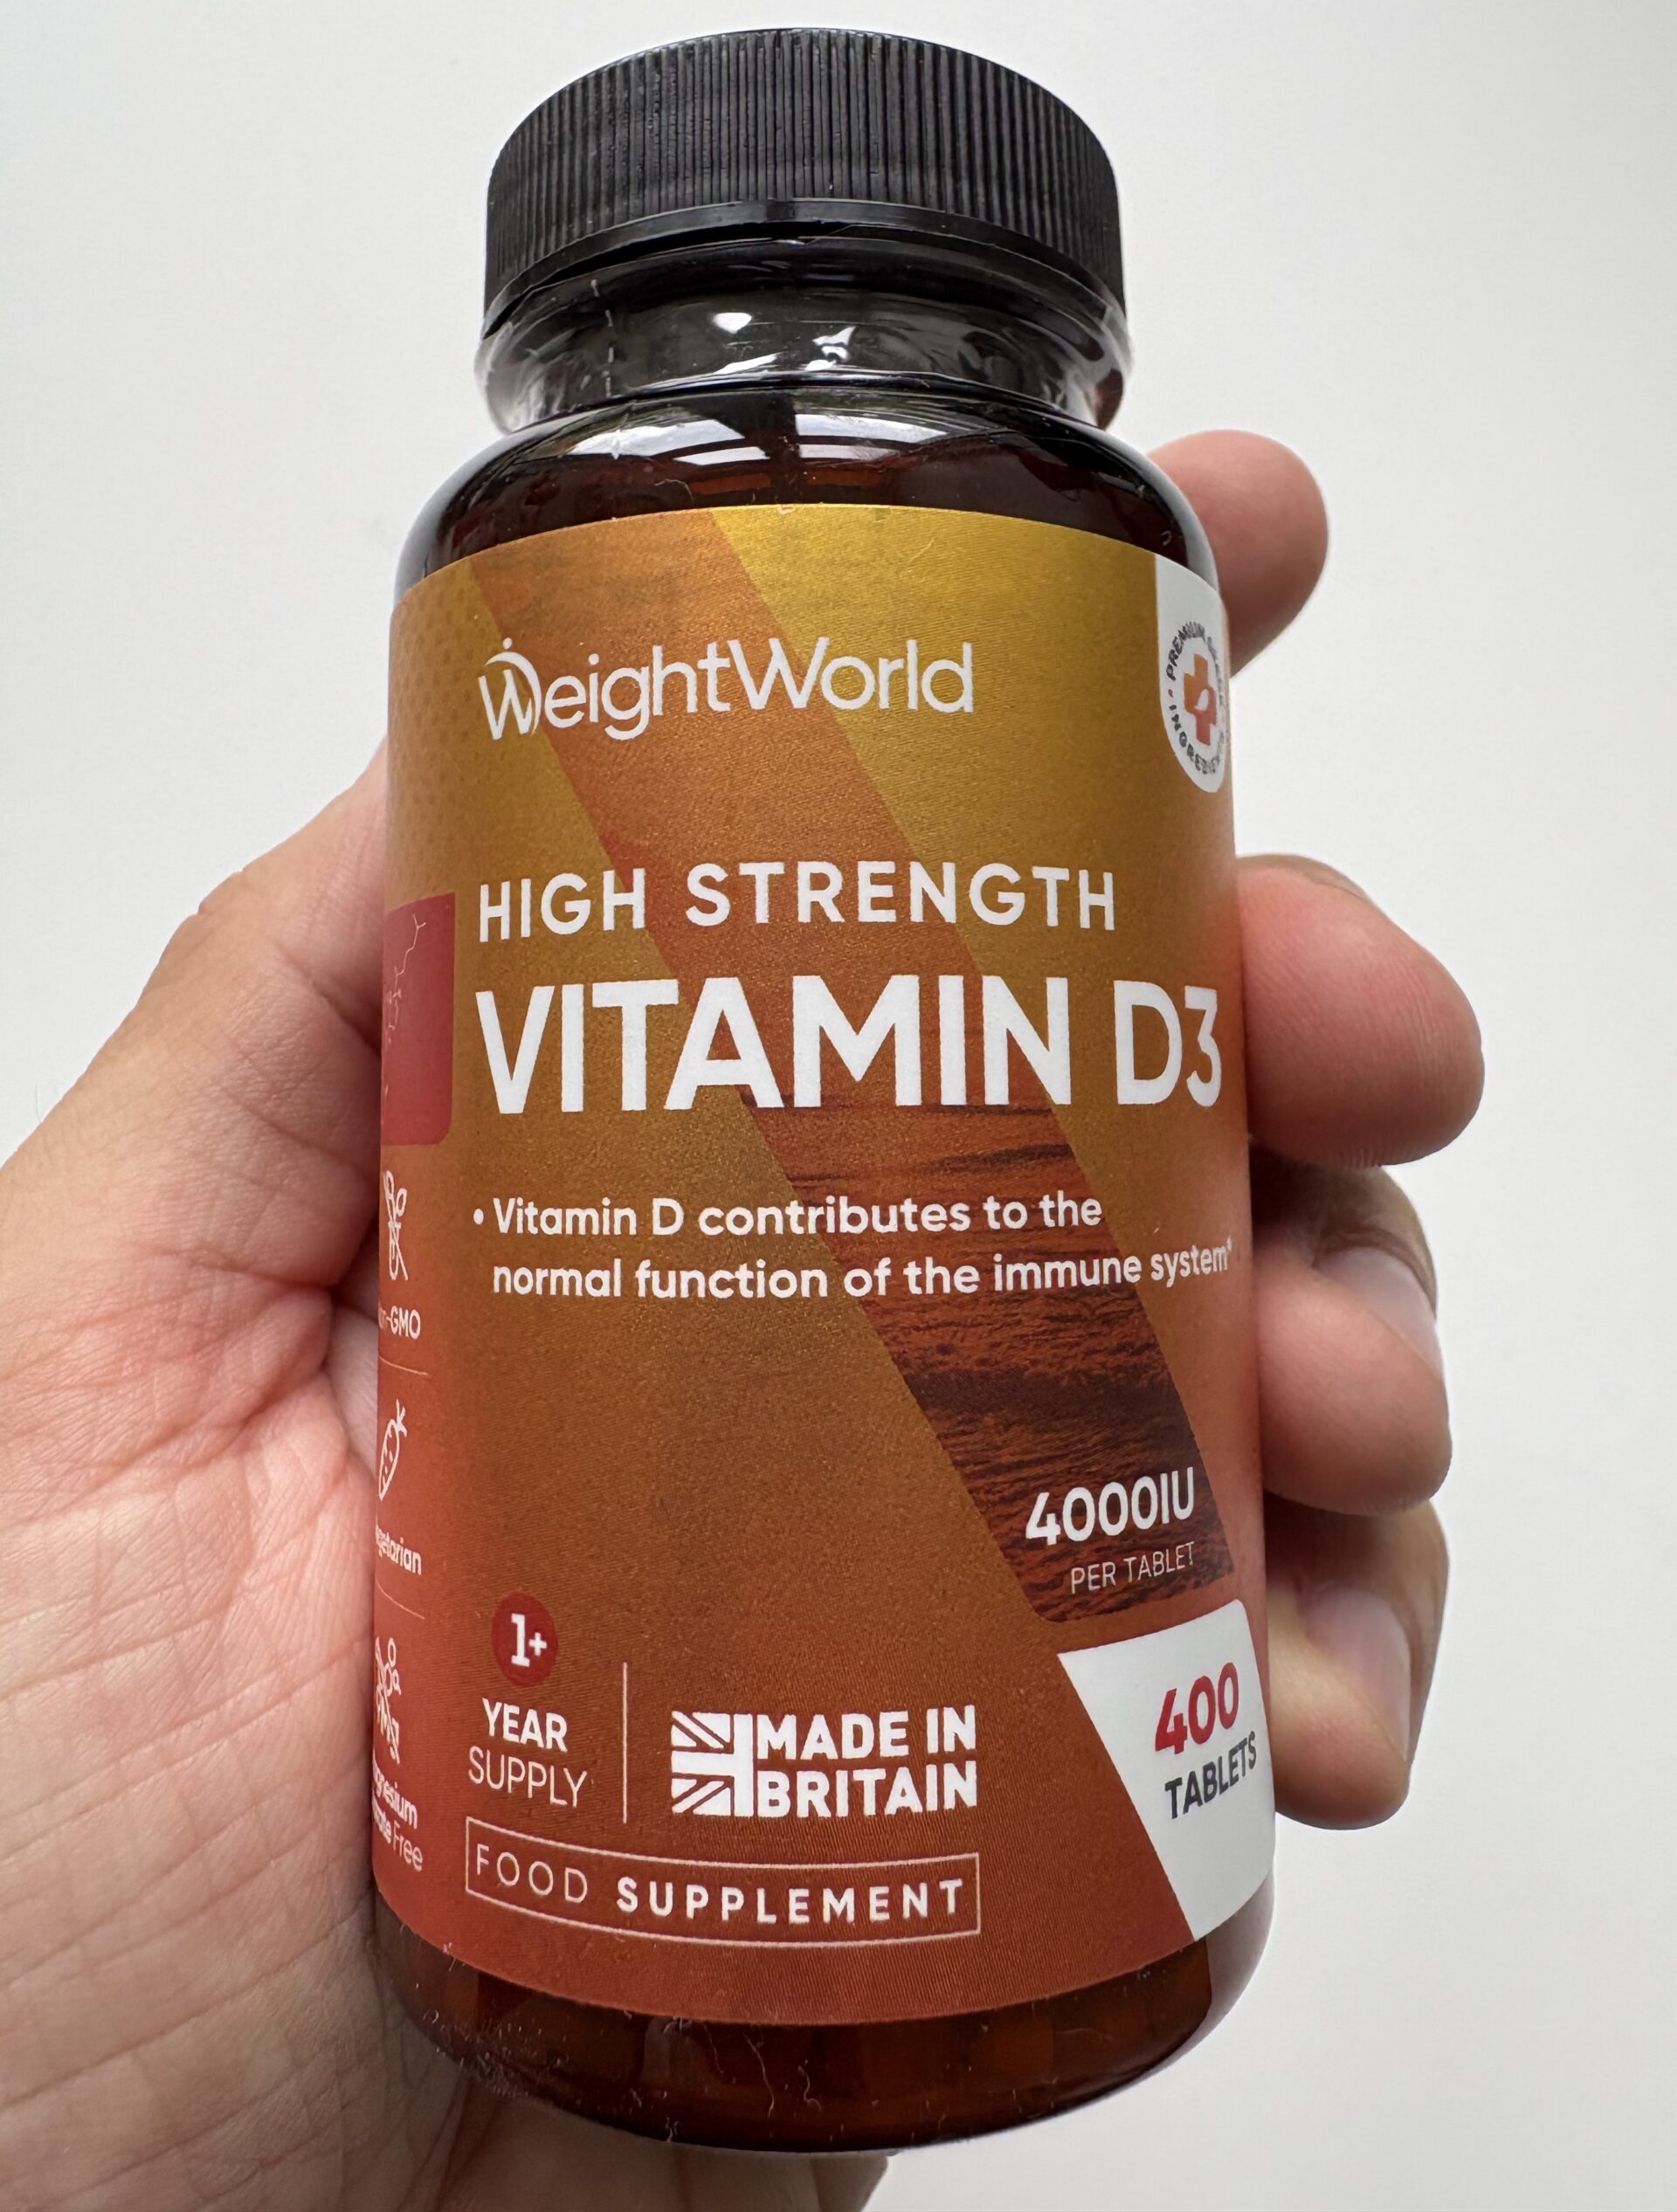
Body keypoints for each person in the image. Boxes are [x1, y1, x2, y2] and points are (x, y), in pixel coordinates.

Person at [0, 432, 1480, 2209]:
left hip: (1072, 1839)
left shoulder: (1089, 547)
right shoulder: (522, 583)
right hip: (499, 1857)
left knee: (1234, 1138)